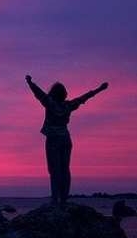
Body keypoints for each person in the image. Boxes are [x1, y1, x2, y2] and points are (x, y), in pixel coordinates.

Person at [26, 75, 108, 207]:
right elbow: (84, 98)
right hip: (65, 139)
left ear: (52, 93)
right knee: (65, 169)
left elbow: (39, 93)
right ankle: (63, 198)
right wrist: (100, 89)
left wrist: (30, 82)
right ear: (64, 94)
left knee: (54, 170)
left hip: (53, 139)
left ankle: (55, 199)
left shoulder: (50, 103)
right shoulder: (68, 105)